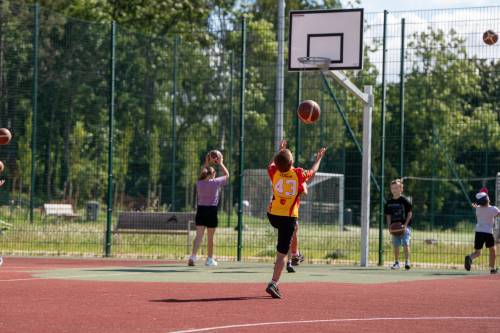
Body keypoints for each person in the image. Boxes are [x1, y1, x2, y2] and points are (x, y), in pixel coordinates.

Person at [265, 140, 326, 298]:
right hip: (287, 218)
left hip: (272, 215)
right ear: (291, 162)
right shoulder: (298, 173)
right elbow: (313, 170)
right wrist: (318, 158)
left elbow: (272, 163)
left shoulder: (273, 171)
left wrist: (280, 151)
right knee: (281, 255)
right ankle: (274, 283)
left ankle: (296, 253)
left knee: (295, 227)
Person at [187, 151, 229, 267]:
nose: (215, 174)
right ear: (211, 174)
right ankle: (209, 259)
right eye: (214, 172)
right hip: (211, 211)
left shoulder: (199, 183)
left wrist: (207, 162)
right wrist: (221, 163)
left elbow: (203, 172)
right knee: (210, 237)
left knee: (199, 236)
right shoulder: (215, 183)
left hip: (200, 210)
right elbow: (227, 175)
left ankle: (193, 257)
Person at [465, 191, 499, 274]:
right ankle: (492, 268)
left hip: (478, 232)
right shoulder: (493, 209)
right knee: (492, 250)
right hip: (488, 233)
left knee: (477, 252)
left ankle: (470, 257)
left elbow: (478, 206)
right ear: (487, 199)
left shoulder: (478, 209)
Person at [385, 178, 413, 270]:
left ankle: (407, 261)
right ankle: (396, 262)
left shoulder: (405, 201)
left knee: (405, 242)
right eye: (393, 188)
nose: (394, 190)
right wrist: (389, 226)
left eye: (397, 188)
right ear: (391, 189)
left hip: (405, 226)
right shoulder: (389, 203)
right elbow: (388, 215)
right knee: (395, 245)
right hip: (395, 227)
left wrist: (405, 225)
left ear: (401, 189)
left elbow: (409, 213)